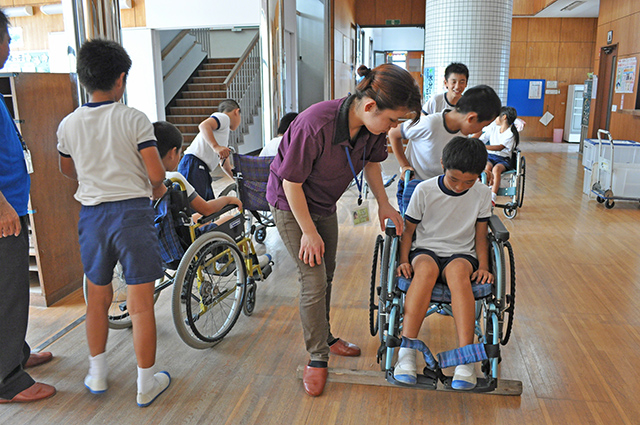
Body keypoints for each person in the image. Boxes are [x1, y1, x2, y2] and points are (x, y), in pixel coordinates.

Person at [266, 63, 422, 397]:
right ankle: (317, 357)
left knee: (328, 274)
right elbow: (291, 183)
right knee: (313, 278)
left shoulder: (370, 127)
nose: (393, 127)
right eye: (393, 119)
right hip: (291, 206)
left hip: (323, 204)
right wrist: (308, 232)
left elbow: (372, 162)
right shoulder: (315, 123)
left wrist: (383, 203)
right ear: (369, 106)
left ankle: (325, 336)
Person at [57, 38, 170, 408]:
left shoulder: (69, 123)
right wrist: (157, 187)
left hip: (92, 216)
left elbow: (67, 168)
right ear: (121, 79)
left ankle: (98, 373)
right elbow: (156, 171)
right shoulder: (134, 119)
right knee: (139, 305)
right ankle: (145, 383)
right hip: (132, 215)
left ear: (84, 79)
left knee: (97, 299)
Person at [393, 136, 493, 390]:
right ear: (442, 165)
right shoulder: (424, 190)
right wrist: (403, 259)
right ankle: (406, 352)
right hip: (426, 249)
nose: (460, 187)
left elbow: (481, 235)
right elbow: (408, 231)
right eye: (454, 179)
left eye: (469, 182)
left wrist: (484, 266)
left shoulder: (481, 193)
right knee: (424, 271)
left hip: (461, 253)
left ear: (479, 175)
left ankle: (465, 360)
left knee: (460, 275)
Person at [0, 9, 56, 404]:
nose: (9, 47)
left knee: (13, 288)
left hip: (12, 203)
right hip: (2, 210)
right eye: (7, 38)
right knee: (8, 293)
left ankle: (15, 356)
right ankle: (8, 381)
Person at [388, 85, 501, 208]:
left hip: (444, 188)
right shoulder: (430, 124)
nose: (481, 130)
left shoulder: (462, 133)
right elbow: (393, 133)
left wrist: (477, 171)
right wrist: (404, 165)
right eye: (483, 126)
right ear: (471, 118)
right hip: (415, 186)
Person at [154, 120, 243, 219]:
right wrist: (228, 200)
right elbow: (207, 209)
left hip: (158, 230)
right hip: (179, 232)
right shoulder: (175, 179)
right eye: (179, 152)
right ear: (172, 153)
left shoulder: (142, 179)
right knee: (229, 219)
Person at [177, 99, 241, 200]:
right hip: (194, 165)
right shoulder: (224, 117)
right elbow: (204, 125)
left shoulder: (223, 131)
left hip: (200, 168)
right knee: (198, 209)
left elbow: (224, 162)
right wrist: (216, 147)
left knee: (207, 207)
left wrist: (235, 179)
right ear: (236, 112)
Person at [480, 106, 519, 205]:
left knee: (496, 170)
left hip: (503, 159)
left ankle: (493, 196)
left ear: (504, 117)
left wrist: (484, 147)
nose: (495, 119)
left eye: (497, 116)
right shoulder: (493, 128)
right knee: (486, 168)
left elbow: (500, 147)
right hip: (490, 156)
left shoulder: (511, 133)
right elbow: (482, 139)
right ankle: (483, 191)